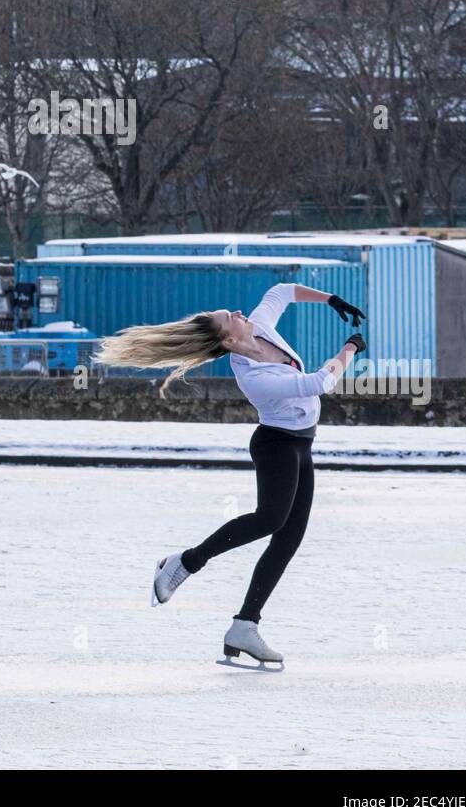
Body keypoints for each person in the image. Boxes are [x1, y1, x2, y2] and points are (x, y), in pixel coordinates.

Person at [96, 284, 366, 664]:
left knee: (289, 539)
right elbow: (319, 383)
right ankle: (185, 563)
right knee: (270, 519)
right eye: (231, 318)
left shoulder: (259, 327)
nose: (240, 314)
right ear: (227, 338)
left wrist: (331, 300)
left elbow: (282, 291)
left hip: (303, 444)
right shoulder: (251, 376)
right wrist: (349, 349)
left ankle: (244, 626)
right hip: (277, 444)